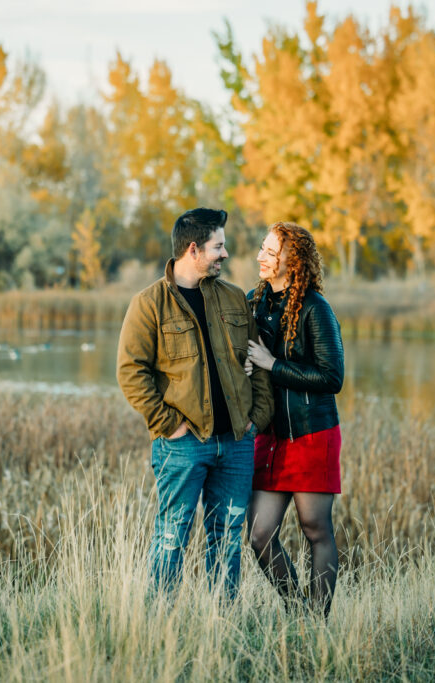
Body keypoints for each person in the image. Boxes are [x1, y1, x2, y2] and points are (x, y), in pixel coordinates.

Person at [117, 207, 274, 600]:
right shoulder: (149, 304)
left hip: (236, 444)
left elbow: (260, 362)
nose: (225, 254)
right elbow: (130, 372)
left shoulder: (235, 299)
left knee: (227, 542)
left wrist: (256, 418)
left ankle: (221, 630)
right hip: (181, 446)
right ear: (193, 249)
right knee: (172, 537)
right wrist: (169, 424)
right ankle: (160, 631)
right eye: (218, 246)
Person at [243, 221, 344, 615]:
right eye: (262, 249)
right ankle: (297, 611)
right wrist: (248, 370)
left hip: (311, 432)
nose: (261, 257)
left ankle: (316, 625)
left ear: (293, 259)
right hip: (269, 434)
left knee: (315, 528)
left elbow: (332, 377)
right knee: (259, 534)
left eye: (270, 251)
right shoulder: (255, 301)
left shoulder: (316, 309)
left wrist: (273, 364)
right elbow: (247, 357)